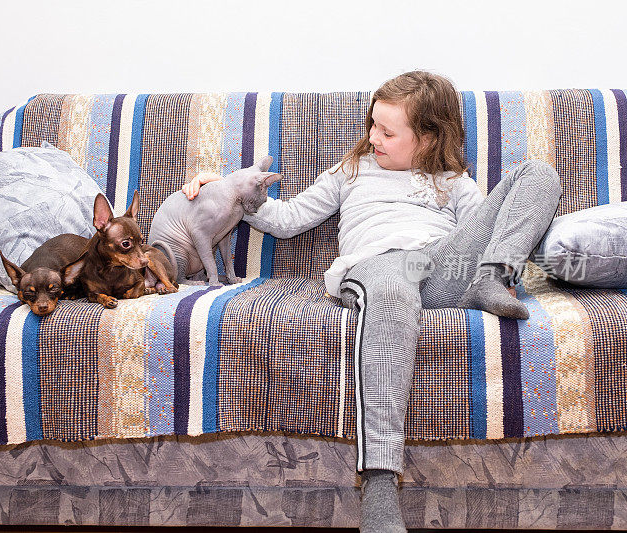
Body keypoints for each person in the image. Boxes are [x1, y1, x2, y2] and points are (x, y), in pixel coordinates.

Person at [183, 71, 562, 533]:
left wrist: (492, 257)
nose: (372, 137)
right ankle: (380, 486)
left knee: (538, 173)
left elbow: (485, 226)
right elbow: (288, 219)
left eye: (387, 131)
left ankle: (493, 278)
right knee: (393, 292)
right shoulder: (353, 170)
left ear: (427, 139)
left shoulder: (455, 182)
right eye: (372, 125)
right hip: (380, 267)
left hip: (443, 269)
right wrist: (228, 189)